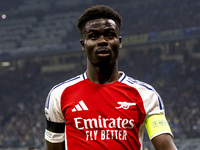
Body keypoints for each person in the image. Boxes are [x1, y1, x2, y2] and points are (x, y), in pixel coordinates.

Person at [44, 5, 177, 150]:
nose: (102, 41)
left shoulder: (146, 95)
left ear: (119, 42)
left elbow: (166, 146)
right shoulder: (59, 95)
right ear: (83, 44)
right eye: (93, 36)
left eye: (109, 35)